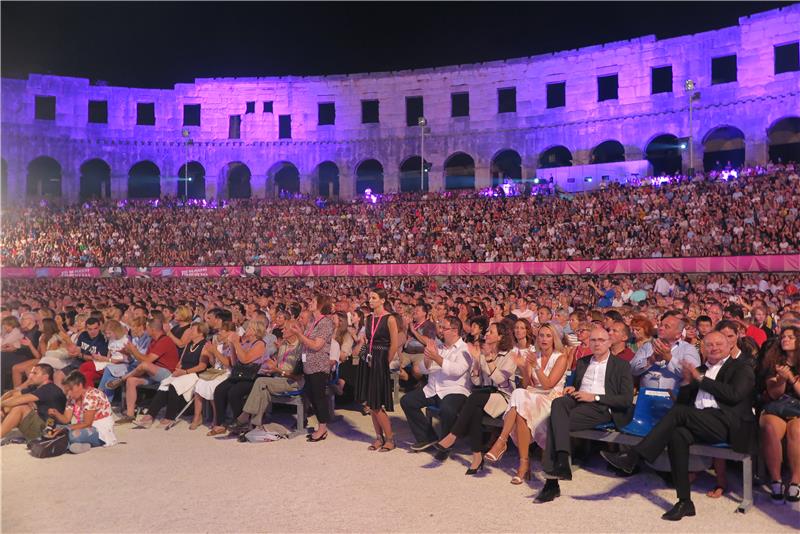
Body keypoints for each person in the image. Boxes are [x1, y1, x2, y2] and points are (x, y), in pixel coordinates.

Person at [602, 330, 755, 520]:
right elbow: (683, 403)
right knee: (677, 435)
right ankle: (684, 502)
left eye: (719, 344)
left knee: (679, 414)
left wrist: (699, 380)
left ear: (730, 346)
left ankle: (634, 456)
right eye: (709, 345)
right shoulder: (699, 370)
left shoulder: (741, 367)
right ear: (704, 349)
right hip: (700, 421)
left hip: (727, 424)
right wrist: (685, 383)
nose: (714, 348)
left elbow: (734, 395)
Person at [535, 326, 634, 503]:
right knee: (559, 403)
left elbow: (626, 400)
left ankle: (552, 482)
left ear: (609, 342)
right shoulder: (583, 362)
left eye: (601, 340)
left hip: (601, 406)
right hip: (579, 401)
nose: (597, 344)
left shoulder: (621, 365)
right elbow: (577, 386)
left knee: (554, 422)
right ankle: (563, 460)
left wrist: (594, 396)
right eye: (593, 340)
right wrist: (574, 388)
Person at [485, 322, 568, 484]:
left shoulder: (561, 357)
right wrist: (523, 367)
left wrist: (535, 366)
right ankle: (522, 463)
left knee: (519, 399)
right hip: (532, 397)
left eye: (548, 336)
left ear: (554, 339)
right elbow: (527, 385)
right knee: (519, 398)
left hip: (552, 400)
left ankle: (502, 443)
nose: (544, 339)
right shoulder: (533, 355)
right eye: (541, 335)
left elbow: (548, 384)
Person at [435, 321, 516, 474]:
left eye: (491, 332)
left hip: (504, 397)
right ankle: (477, 457)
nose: (486, 334)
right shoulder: (483, 353)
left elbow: (500, 380)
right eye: (487, 332)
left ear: (500, 337)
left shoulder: (510, 356)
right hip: (485, 395)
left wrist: (488, 358)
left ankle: (453, 435)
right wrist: (477, 362)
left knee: (473, 400)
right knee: (475, 408)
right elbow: (476, 381)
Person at [401, 315, 472, 461]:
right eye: (440, 327)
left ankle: (445, 445)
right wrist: (427, 359)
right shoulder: (438, 347)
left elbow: (456, 370)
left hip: (455, 390)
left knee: (448, 409)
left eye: (444, 328)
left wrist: (435, 357)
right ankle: (427, 437)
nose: (440, 331)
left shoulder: (465, 349)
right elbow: (423, 369)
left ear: (454, 330)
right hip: (434, 388)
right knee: (407, 401)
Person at [228, 319, 305, 432]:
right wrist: (269, 366)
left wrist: (277, 369)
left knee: (260, 382)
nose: (282, 330)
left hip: (292, 382)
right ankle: (253, 426)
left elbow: (298, 376)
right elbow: (277, 366)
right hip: (278, 379)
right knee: (262, 389)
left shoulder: (301, 348)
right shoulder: (283, 344)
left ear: (294, 331)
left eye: (285, 328)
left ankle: (244, 417)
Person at [134, 323, 209, 428]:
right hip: (182, 372)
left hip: (193, 374)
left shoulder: (204, 345)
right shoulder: (189, 344)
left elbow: (202, 366)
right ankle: (150, 415)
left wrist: (185, 372)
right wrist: (177, 370)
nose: (190, 332)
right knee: (164, 384)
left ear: (201, 333)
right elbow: (180, 362)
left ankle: (170, 416)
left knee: (174, 385)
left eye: (193, 330)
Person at [106, 318, 178, 424]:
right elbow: (142, 359)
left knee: (144, 365)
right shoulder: (153, 341)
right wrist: (130, 353)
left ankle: (122, 379)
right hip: (152, 373)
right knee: (131, 381)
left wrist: (133, 350)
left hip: (166, 373)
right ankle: (130, 415)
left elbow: (147, 361)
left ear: (153, 329)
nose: (146, 331)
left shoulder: (164, 341)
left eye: (147, 328)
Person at [758, 325, 800, 502]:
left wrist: (790, 378)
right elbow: (774, 395)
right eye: (783, 337)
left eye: (791, 337)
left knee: (797, 431)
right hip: (777, 406)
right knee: (769, 428)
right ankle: (776, 480)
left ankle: (796, 481)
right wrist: (781, 380)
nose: (785, 339)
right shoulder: (773, 360)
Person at [356, 289, 400, 452]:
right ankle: (379, 437)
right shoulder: (368, 319)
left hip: (381, 359)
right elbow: (367, 339)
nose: (371, 301)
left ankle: (390, 439)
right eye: (370, 298)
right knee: (370, 402)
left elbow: (394, 345)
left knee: (376, 404)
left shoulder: (390, 319)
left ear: (383, 300)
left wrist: (384, 363)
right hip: (369, 358)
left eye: (374, 298)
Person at [287, 294, 335, 442]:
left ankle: (322, 428)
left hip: (319, 365)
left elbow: (316, 345)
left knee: (318, 397)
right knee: (311, 394)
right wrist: (298, 331)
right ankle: (322, 425)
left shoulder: (325, 322)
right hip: (308, 365)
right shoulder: (313, 321)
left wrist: (299, 334)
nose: (310, 303)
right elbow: (307, 340)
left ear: (321, 304)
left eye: (314, 301)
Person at [207, 320, 269, 436]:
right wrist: (232, 345)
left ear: (256, 331)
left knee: (234, 392)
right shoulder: (245, 343)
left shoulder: (260, 344)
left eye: (250, 328)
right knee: (220, 389)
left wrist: (236, 343)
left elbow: (246, 359)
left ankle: (240, 422)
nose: (246, 330)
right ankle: (220, 423)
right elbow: (235, 363)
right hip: (240, 374)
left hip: (253, 376)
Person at [47, 370, 117, 453]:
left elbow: (87, 423)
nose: (68, 393)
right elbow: (66, 419)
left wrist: (65, 428)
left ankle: (70, 444)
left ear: (79, 385)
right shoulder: (72, 398)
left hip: (99, 428)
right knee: (54, 428)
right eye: (66, 391)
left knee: (73, 435)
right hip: (83, 426)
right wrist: (56, 413)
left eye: (70, 390)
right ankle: (72, 445)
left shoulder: (92, 395)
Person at [630, 312, 700, 392]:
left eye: (667, 327)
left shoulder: (688, 349)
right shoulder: (648, 346)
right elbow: (632, 369)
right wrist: (650, 360)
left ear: (678, 334)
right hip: (647, 397)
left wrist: (669, 358)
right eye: (661, 325)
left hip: (674, 399)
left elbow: (694, 375)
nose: (661, 328)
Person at [0, 363, 66, 441]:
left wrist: (1, 404)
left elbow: (17, 401)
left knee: (20, 407)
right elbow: (12, 393)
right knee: (7, 405)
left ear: (45, 377)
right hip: (41, 424)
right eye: (31, 373)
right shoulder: (37, 387)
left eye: (35, 373)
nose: (30, 376)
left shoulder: (49, 389)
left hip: (50, 431)